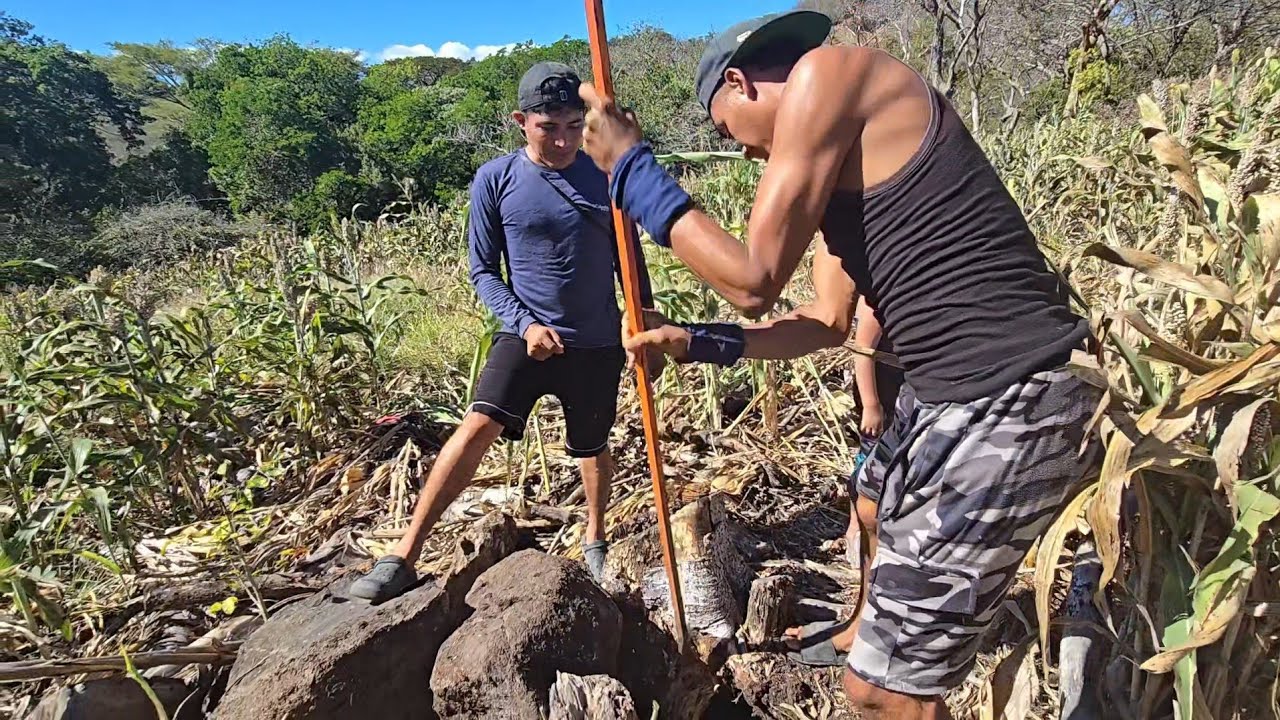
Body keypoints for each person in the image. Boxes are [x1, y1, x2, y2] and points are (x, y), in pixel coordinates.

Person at [581, 9, 1099, 719]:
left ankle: (890, 669)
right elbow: (823, 324)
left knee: (881, 693)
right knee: (872, 494)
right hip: (949, 392)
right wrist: (701, 342)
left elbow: (755, 280)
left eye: (730, 133)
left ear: (739, 82)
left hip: (1013, 390)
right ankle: (864, 628)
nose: (748, 157)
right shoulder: (841, 183)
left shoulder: (829, 75)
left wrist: (631, 171)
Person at [351, 61, 657, 603]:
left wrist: (644, 323)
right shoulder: (497, 179)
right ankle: (403, 553)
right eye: (548, 127)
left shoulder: (604, 174)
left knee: (592, 443)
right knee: (475, 426)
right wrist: (525, 323)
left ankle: (595, 536)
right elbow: (483, 271)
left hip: (597, 340)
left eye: (571, 125)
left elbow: (630, 261)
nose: (563, 139)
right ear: (522, 121)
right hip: (526, 336)